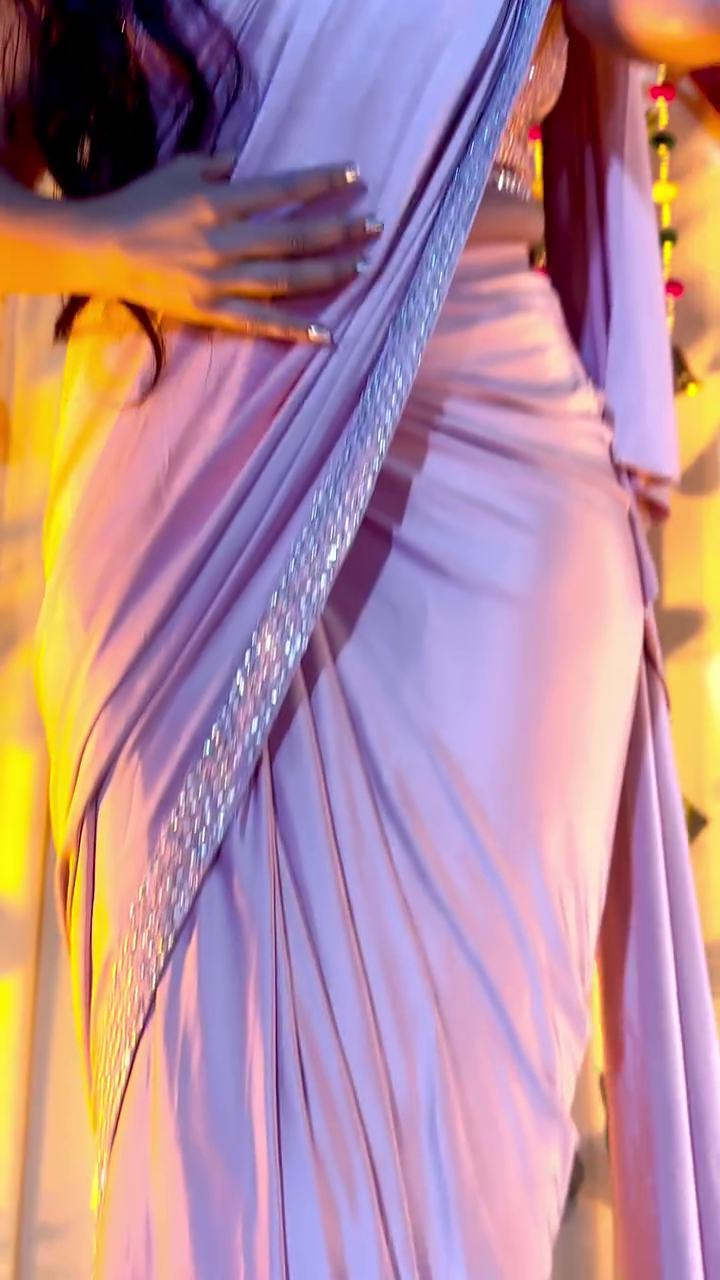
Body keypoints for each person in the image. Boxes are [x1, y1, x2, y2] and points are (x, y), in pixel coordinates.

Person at [2, 0, 720, 1276]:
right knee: (215, 1132)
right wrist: (107, 242)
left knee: (470, 1163)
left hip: (495, 485)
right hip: (197, 495)